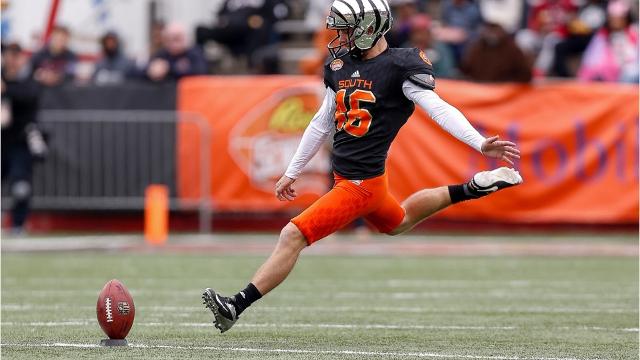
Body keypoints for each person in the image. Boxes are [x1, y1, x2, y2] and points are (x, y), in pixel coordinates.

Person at [202, 0, 523, 333]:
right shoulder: (340, 65)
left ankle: (235, 305)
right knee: (399, 221)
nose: (338, 37)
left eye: (345, 30)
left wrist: (479, 142)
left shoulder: (400, 66)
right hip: (367, 182)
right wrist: (293, 170)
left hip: (358, 184)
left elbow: (439, 109)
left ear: (369, 28)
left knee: (292, 234)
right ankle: (474, 187)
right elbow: (321, 122)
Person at [2, 43, 46, 233]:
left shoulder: (28, 79)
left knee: (20, 184)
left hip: (21, 140)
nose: (11, 61)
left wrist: (6, 90)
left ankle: (18, 224)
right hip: (2, 140)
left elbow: (29, 96)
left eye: (15, 57)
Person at [578, 0, 638, 83]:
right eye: (613, 19)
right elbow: (591, 60)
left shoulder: (634, 33)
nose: (616, 22)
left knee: (631, 72)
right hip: (608, 75)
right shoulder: (602, 36)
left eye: (619, 19)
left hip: (629, 74)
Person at [460, 21, 533, 83]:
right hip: (479, 91)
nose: (492, 34)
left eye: (495, 30)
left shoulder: (512, 49)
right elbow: (465, 69)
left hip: (504, 92)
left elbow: (525, 75)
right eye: (490, 30)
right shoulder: (476, 48)